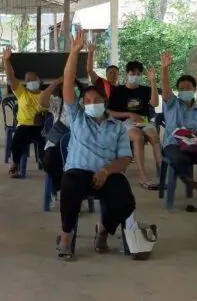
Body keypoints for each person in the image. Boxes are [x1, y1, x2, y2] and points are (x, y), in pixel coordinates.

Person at [56, 33, 136, 261]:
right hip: (79, 171)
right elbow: (68, 83)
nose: (91, 104)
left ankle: (103, 230)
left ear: (106, 103)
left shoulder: (117, 127)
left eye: (96, 100)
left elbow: (124, 158)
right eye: (87, 101)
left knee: (126, 201)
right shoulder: (78, 118)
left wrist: (106, 171)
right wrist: (74, 54)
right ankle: (65, 236)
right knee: (69, 188)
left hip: (107, 172)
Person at [159, 52, 197, 192]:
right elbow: (165, 90)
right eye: (181, 89)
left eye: (188, 88)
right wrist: (164, 68)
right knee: (181, 159)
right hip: (173, 145)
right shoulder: (172, 103)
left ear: (194, 90)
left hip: (195, 146)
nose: (184, 91)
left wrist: (196, 138)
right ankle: (189, 182)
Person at [108, 61, 161, 189]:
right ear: (127, 73)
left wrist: (153, 81)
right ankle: (142, 175)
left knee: (154, 136)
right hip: (126, 122)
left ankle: (163, 171)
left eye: (138, 73)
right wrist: (129, 114)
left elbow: (154, 104)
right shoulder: (118, 90)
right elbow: (109, 112)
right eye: (133, 73)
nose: (135, 75)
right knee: (138, 137)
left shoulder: (145, 90)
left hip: (144, 121)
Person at [2, 47, 46, 178]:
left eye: (34, 80)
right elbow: (11, 76)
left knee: (49, 137)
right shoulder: (22, 92)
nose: (31, 82)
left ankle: (44, 161)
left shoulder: (45, 94)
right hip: (24, 125)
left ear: (39, 80)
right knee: (18, 137)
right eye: (28, 81)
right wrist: (6, 61)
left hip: (40, 127)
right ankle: (15, 164)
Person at [38, 76, 67, 205]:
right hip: (57, 140)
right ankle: (59, 188)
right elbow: (42, 101)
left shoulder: (84, 103)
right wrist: (55, 83)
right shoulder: (58, 102)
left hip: (78, 142)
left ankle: (76, 193)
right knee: (50, 159)